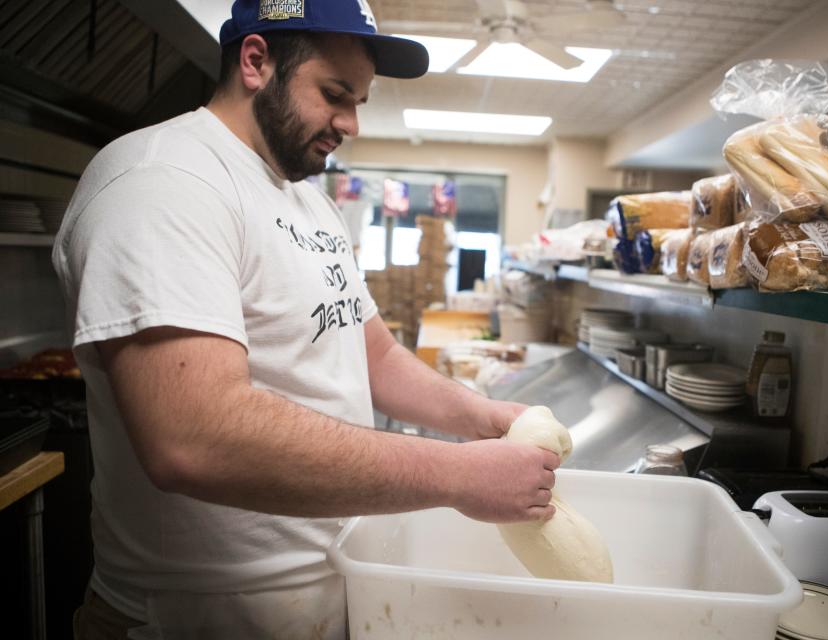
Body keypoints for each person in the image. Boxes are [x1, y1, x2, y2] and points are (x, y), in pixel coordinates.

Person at [53, 1, 560, 637]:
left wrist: (475, 416)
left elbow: (369, 353)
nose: (348, 122)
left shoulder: (307, 200)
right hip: (200, 615)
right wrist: (457, 475)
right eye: (333, 94)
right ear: (256, 60)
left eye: (359, 102)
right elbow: (193, 436)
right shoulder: (163, 181)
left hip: (330, 591)